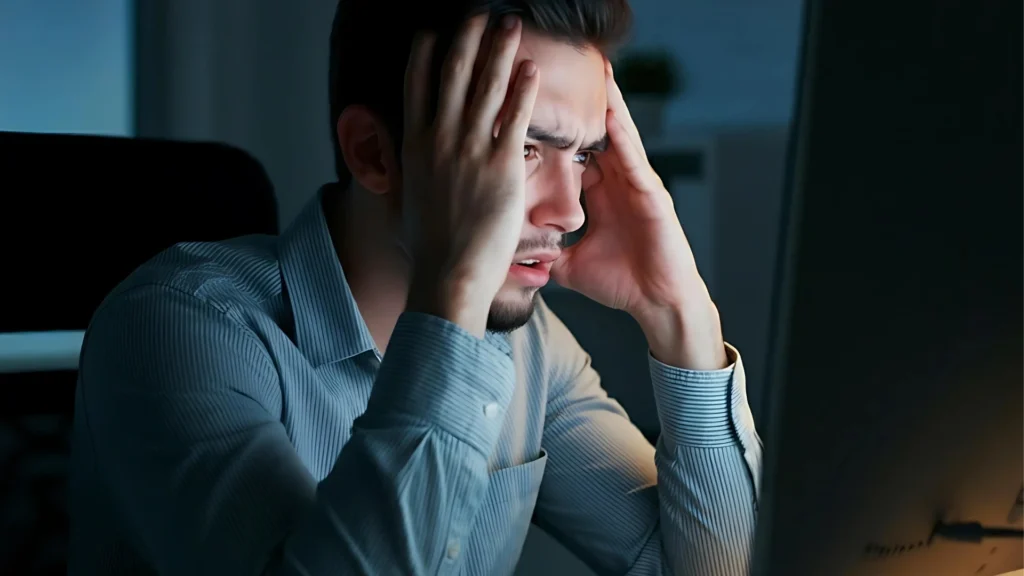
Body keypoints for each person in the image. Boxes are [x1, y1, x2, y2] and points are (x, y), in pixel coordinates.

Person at [68, 0, 762, 574]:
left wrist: (680, 313)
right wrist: (454, 293)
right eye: (519, 147)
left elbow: (707, 567)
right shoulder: (177, 325)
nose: (571, 212)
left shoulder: (529, 347)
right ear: (374, 153)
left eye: (582, 155)